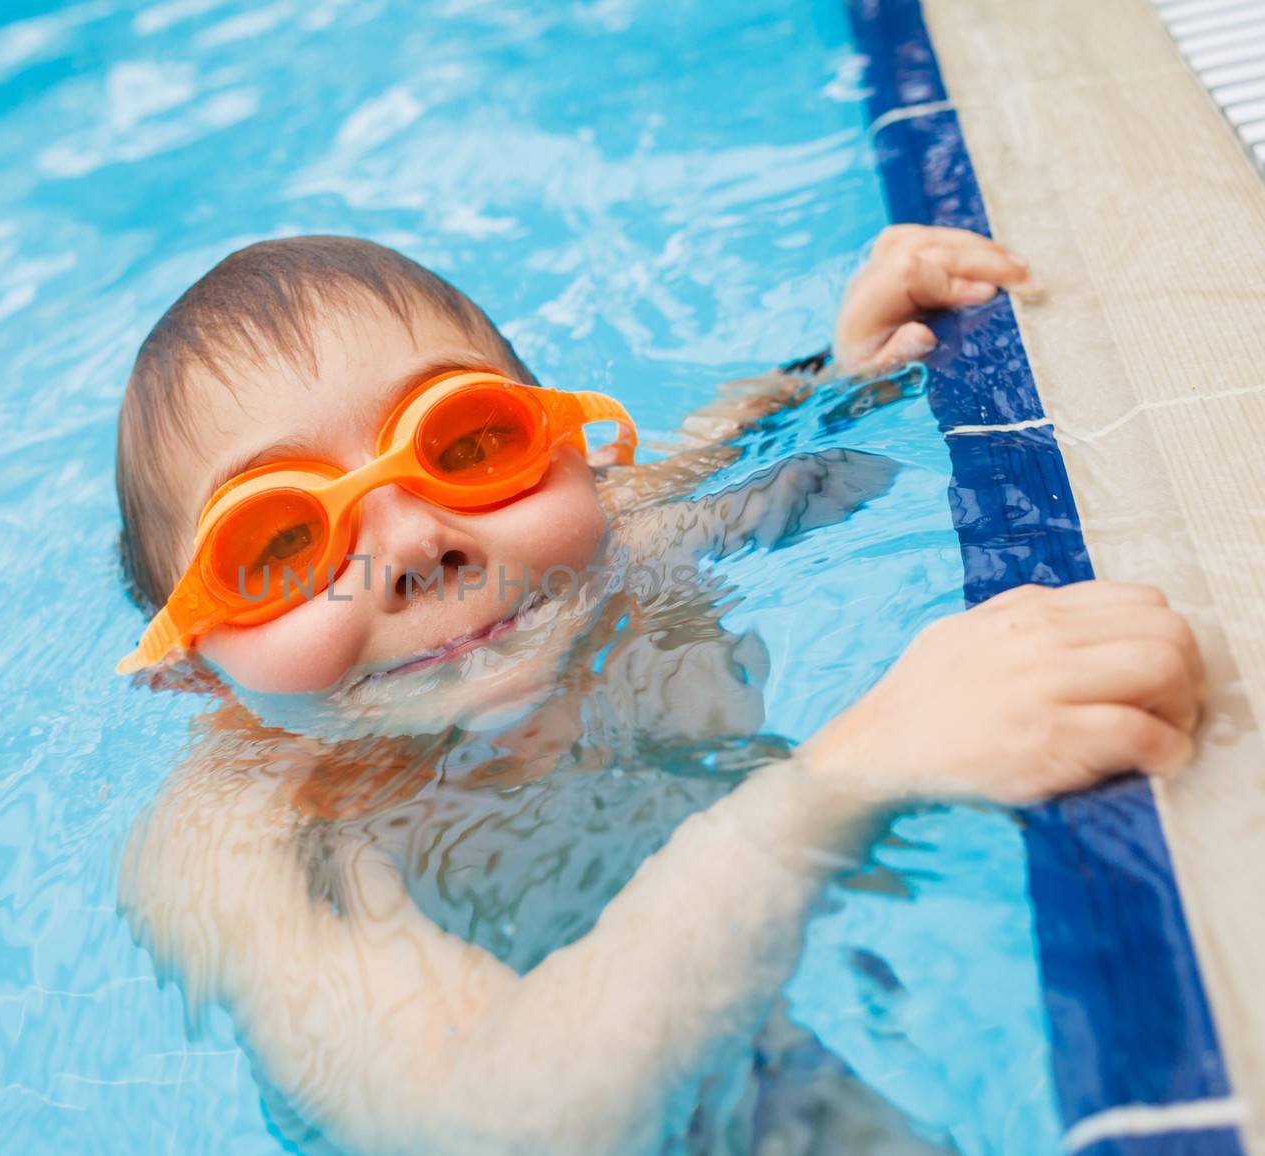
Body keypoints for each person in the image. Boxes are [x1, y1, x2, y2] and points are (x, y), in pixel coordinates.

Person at [113, 230, 1204, 1155]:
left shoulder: (619, 547)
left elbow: (760, 466)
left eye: (467, 441)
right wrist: (845, 777)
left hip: (763, 1032)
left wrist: (852, 371)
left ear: (572, 452)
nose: (414, 543)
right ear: (190, 663)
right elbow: (506, 1125)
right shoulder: (243, 839)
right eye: (280, 540)